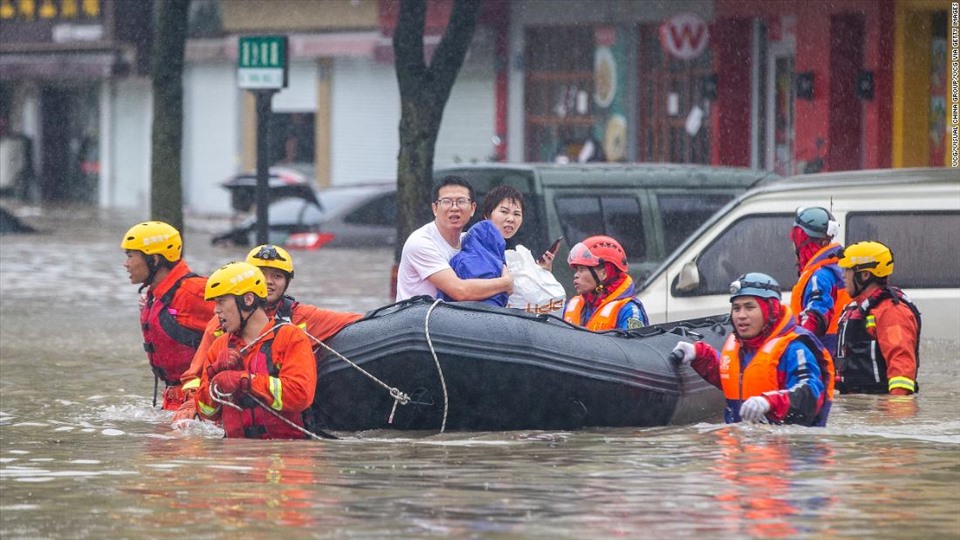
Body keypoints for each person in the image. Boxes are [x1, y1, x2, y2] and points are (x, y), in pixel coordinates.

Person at [174, 244, 362, 422]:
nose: (268, 282)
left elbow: (299, 395)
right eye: (261, 274)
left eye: (277, 276)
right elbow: (202, 398)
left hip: (282, 444)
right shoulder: (220, 337)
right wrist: (212, 380)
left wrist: (245, 382)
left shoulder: (294, 330)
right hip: (235, 446)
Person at [671, 272, 834, 426]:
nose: (741, 315)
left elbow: (811, 392)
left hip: (787, 449)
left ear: (771, 309)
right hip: (743, 446)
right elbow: (734, 379)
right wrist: (700, 355)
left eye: (749, 307)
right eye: (736, 308)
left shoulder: (794, 349)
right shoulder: (740, 347)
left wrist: (769, 402)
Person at [196, 261, 317, 439]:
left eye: (221, 302)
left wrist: (245, 381)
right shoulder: (219, 346)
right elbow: (207, 412)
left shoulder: (290, 337)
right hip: (235, 457)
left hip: (287, 453)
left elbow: (300, 395)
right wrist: (214, 377)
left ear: (248, 299)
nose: (216, 310)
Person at [121, 221, 214, 411]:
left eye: (131, 256)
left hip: (201, 402)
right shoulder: (155, 296)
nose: (126, 264)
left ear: (154, 259)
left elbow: (250, 325)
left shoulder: (195, 291)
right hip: (173, 400)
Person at [395, 175, 513, 301]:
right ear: (435, 208)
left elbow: (497, 264)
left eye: (461, 201)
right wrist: (506, 283)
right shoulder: (421, 242)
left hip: (452, 317)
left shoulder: (470, 241)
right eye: (446, 201)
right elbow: (460, 291)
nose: (454, 208)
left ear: (472, 208)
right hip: (418, 318)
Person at [441, 185, 555, 307]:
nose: (511, 219)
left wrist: (540, 273)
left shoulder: (513, 253)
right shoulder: (471, 249)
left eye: (517, 214)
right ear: (487, 214)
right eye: (504, 212)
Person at [835, 241, 921, 395]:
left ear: (865, 275)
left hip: (877, 411)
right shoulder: (858, 308)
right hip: (859, 408)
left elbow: (901, 365)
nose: (843, 275)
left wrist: (896, 411)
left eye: (847, 269)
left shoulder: (891, 312)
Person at [789, 206, 850, 352]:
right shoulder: (838, 268)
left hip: (825, 355)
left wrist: (795, 345)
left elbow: (816, 316)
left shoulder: (821, 275)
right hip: (841, 353)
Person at [562, 235, 648, 331]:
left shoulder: (629, 311)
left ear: (604, 273)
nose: (576, 275)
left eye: (582, 269)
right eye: (577, 270)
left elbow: (632, 345)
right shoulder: (571, 305)